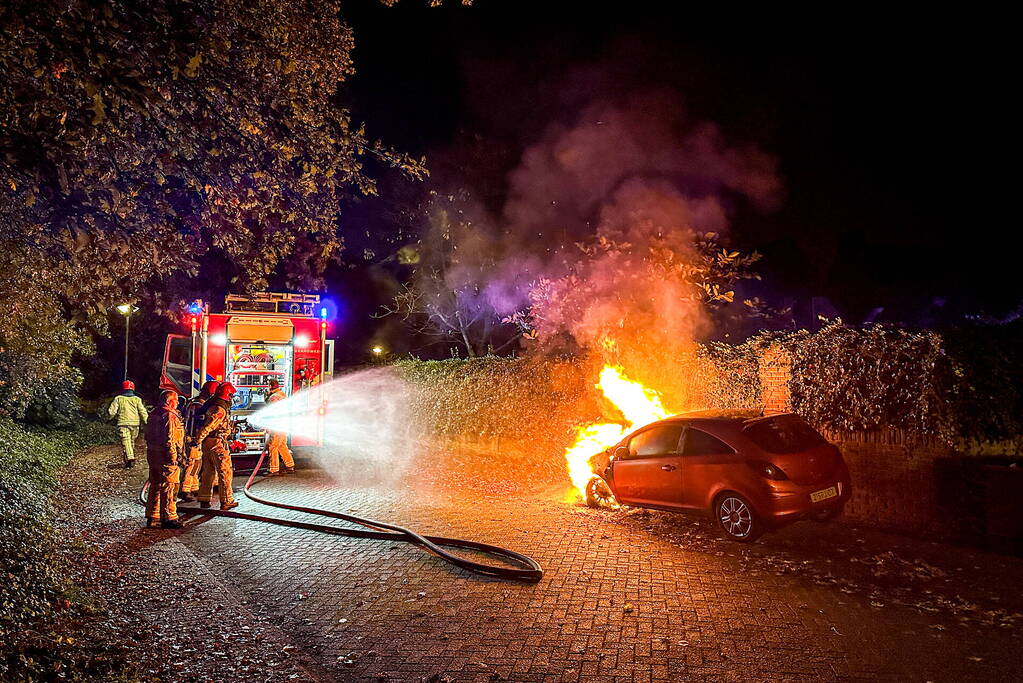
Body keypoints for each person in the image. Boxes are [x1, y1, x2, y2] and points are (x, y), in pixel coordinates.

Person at [143, 390, 184, 529]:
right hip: (165, 455)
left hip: (153, 453)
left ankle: (152, 514)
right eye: (176, 400)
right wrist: (173, 456)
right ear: (169, 401)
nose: (178, 402)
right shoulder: (169, 416)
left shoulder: (153, 413)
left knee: (155, 484)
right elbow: (170, 438)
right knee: (170, 485)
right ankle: (169, 517)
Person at [196, 382, 239, 510]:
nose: (232, 398)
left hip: (209, 443)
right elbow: (209, 426)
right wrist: (198, 439)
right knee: (225, 471)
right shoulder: (220, 409)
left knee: (208, 471)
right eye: (231, 395)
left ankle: (204, 499)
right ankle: (226, 500)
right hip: (217, 443)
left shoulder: (213, 404)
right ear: (227, 394)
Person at [178, 380, 220, 502]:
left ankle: (194, 487)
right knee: (191, 464)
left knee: (197, 464)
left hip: (195, 438)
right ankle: (185, 490)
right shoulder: (200, 406)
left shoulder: (195, 403)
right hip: (193, 438)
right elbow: (200, 424)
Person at [108, 380, 148, 467]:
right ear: (133, 389)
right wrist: (146, 421)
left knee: (126, 441)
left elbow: (112, 412)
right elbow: (142, 411)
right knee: (131, 441)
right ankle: (129, 458)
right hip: (135, 424)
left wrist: (110, 418)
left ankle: (130, 458)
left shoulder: (118, 398)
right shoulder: (137, 399)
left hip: (123, 423)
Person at [264, 378, 295, 476]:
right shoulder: (282, 394)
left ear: (270, 386)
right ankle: (290, 466)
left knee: (273, 446)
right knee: (282, 445)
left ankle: (273, 470)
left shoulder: (273, 397)